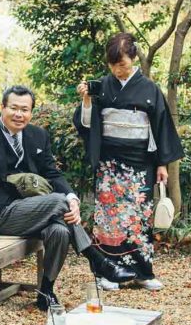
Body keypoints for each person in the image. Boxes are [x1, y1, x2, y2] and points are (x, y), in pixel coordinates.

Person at [0, 85, 135, 310]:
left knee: (60, 231)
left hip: (36, 212)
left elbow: (52, 173)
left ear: (31, 112)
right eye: (13, 108)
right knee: (58, 201)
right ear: (2, 108)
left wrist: (72, 197)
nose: (19, 114)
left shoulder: (37, 135)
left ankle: (46, 291)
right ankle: (96, 258)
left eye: (25, 109)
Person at [74, 33, 184, 291]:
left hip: (139, 164)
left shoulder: (150, 89)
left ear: (134, 59)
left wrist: (161, 165)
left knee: (138, 218)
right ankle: (108, 273)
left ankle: (142, 272)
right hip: (109, 164)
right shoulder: (101, 86)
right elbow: (86, 125)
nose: (118, 71)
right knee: (109, 219)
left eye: (122, 65)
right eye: (113, 66)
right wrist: (87, 100)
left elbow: (160, 128)